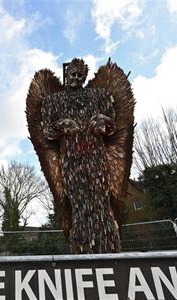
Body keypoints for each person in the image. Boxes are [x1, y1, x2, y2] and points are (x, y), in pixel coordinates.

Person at [41, 58, 119, 253]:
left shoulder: (98, 96)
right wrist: (62, 125)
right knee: (79, 205)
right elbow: (47, 130)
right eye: (73, 74)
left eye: (80, 75)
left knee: (102, 204)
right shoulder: (53, 101)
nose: (76, 78)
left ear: (84, 77)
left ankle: (109, 249)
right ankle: (82, 251)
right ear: (66, 75)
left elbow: (112, 126)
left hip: (97, 159)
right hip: (71, 161)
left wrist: (104, 120)